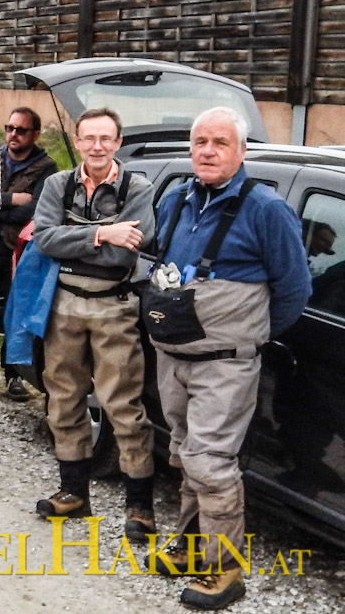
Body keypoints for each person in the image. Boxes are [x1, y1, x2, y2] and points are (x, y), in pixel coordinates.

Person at [147, 107, 310, 610]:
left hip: (225, 363)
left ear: (241, 152)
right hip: (173, 355)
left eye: (220, 142)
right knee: (181, 451)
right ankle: (193, 547)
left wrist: (243, 336)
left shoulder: (266, 210)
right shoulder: (177, 200)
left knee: (210, 462)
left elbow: (294, 291)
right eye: (200, 142)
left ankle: (225, 570)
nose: (208, 151)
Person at [32, 107, 157, 539]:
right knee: (63, 398)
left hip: (114, 307)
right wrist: (104, 233)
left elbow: (128, 254)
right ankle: (73, 492)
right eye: (89, 138)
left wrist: (76, 237)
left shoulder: (138, 188)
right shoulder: (57, 184)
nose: (98, 146)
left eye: (106, 138)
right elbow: (44, 239)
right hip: (63, 304)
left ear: (118, 143)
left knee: (123, 406)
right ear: (79, 141)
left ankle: (140, 506)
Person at [0, 107, 57, 400]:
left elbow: (36, 210)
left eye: (21, 130)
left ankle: (14, 375)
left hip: (22, 252)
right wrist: (9, 200)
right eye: (9, 128)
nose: (13, 135)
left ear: (34, 134)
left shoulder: (47, 167)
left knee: (16, 314)